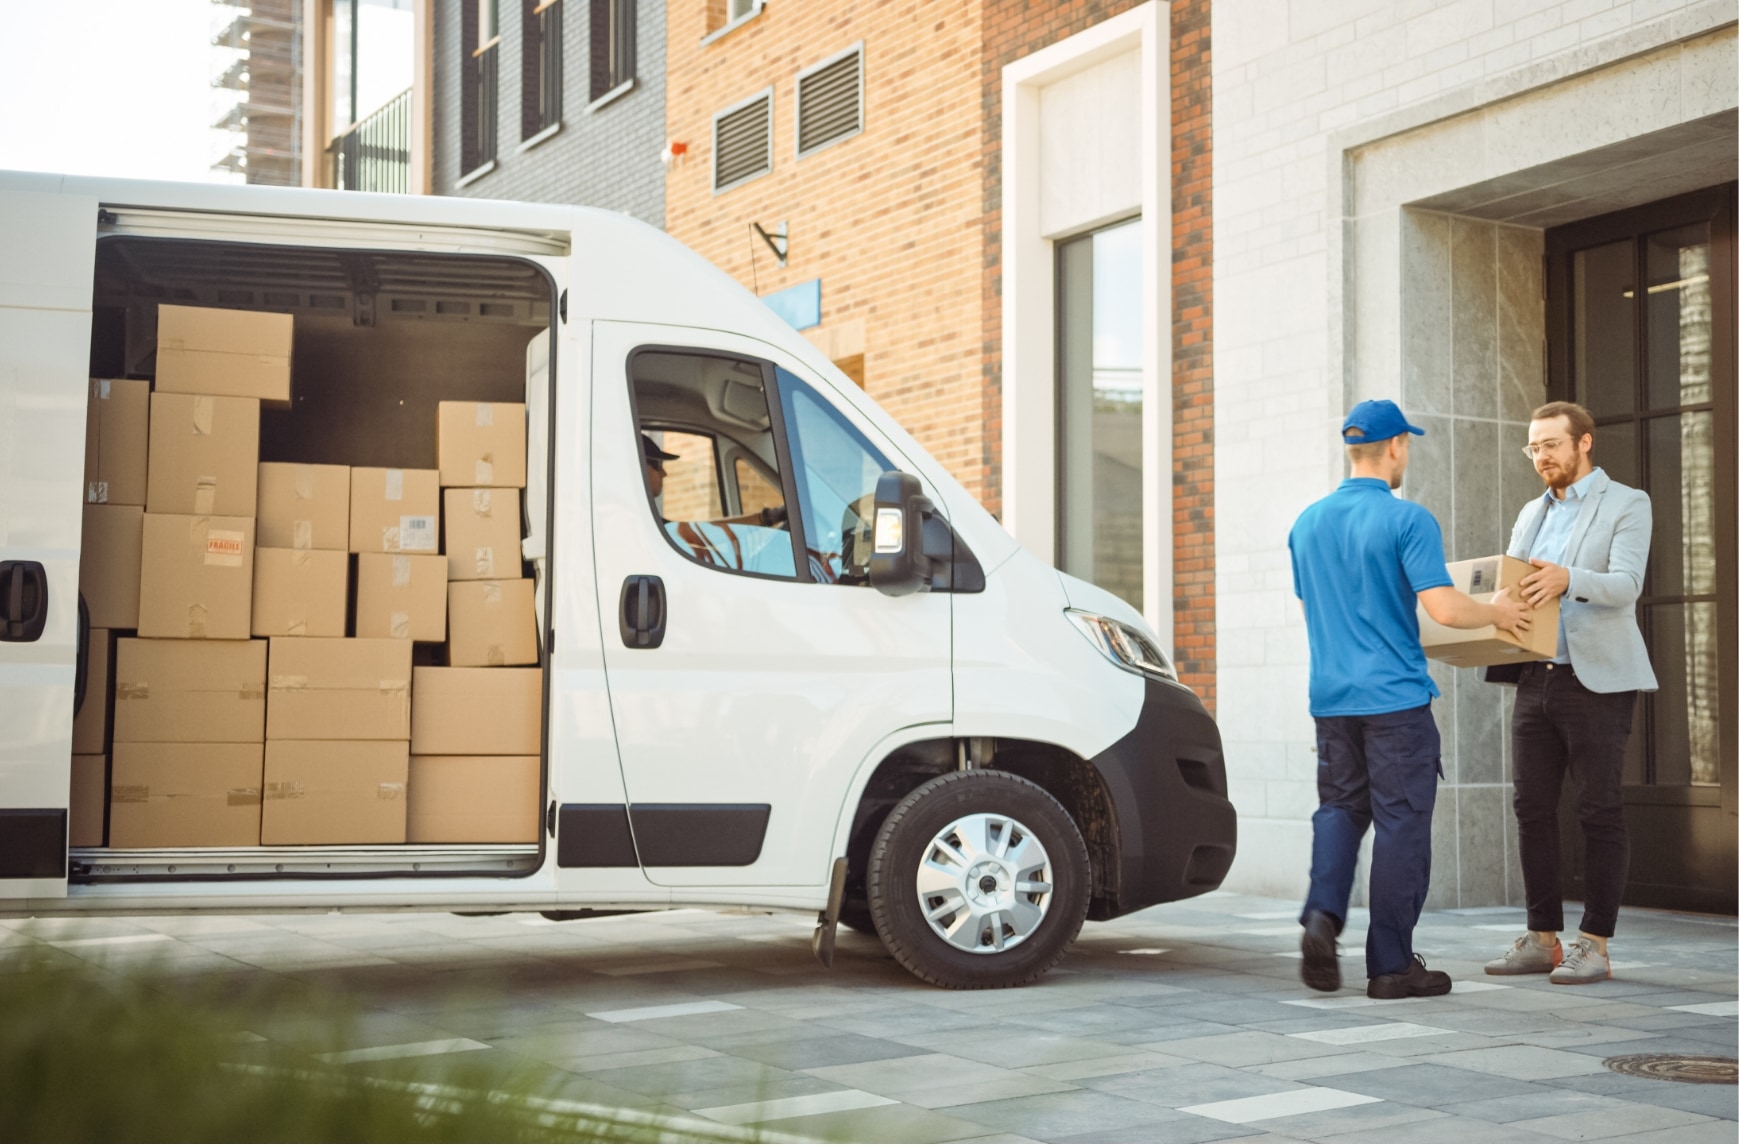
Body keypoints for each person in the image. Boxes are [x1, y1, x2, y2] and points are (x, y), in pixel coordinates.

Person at [1290, 400, 1530, 998]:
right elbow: (1445, 607)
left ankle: (1322, 916)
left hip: (1331, 699)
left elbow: (1325, 605)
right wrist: (1497, 610)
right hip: (1394, 701)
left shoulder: (1307, 523)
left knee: (1341, 810)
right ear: (1395, 446)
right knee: (1401, 825)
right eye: (1408, 445)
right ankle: (1392, 965)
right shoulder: (1407, 519)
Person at [1483, 402, 1655, 986]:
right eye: (1534, 447)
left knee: (1598, 808)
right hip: (1536, 676)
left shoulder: (1628, 502)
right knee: (1531, 808)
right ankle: (1542, 938)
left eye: (1552, 444)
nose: (1542, 456)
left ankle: (1595, 944)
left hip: (1597, 679)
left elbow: (1628, 585)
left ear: (1584, 442)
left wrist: (1567, 579)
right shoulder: (1532, 512)